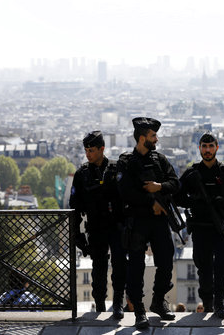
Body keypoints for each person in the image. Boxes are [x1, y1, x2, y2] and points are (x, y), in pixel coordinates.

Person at [175, 131, 224, 319]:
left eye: (210, 146)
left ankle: (219, 303)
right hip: (200, 228)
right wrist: (194, 200)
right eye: (204, 147)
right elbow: (178, 196)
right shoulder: (192, 173)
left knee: (222, 266)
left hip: (222, 227)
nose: (207, 150)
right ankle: (207, 303)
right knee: (204, 268)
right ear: (199, 149)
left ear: (216, 147)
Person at [118, 117, 179, 329]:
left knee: (166, 261)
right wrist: (150, 202)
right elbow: (125, 193)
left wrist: (158, 186)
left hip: (160, 221)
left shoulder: (160, 160)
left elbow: (175, 184)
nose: (157, 139)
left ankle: (158, 301)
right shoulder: (126, 162)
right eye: (153, 136)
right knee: (136, 266)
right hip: (138, 221)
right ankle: (139, 311)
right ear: (143, 138)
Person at [69, 130, 127, 319]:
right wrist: (76, 234)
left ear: (102, 149)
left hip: (116, 226)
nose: (88, 154)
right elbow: (75, 208)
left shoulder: (116, 170)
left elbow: (128, 200)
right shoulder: (82, 174)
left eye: (92, 150)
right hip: (95, 227)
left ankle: (118, 303)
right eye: (86, 150)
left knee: (119, 266)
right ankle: (100, 305)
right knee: (98, 269)